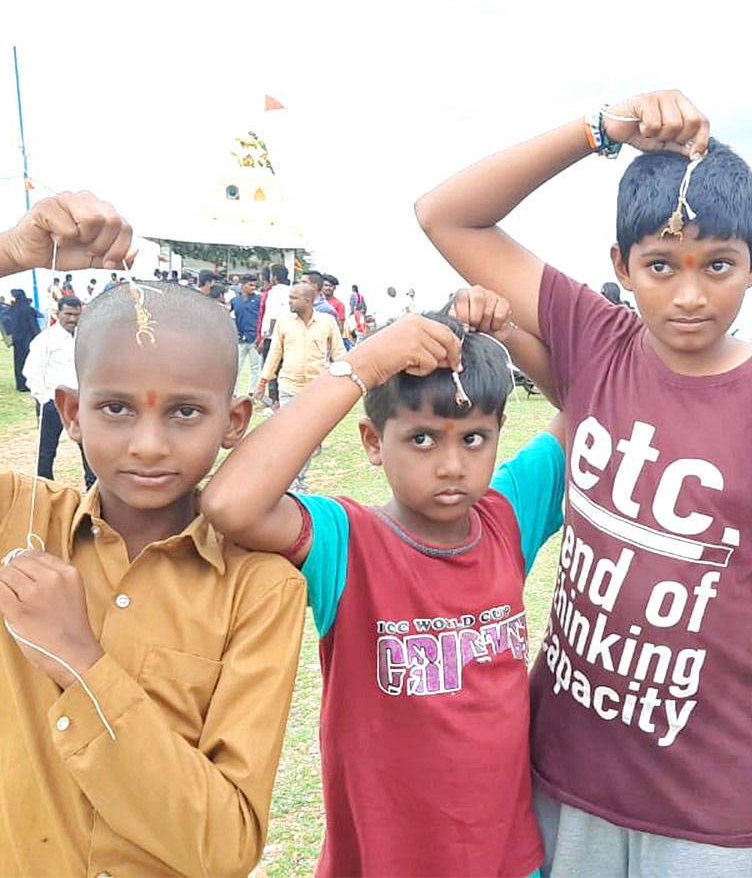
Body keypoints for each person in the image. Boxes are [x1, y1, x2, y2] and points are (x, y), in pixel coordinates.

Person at [416, 89, 752, 877]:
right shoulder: (596, 343)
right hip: (565, 778)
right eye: (660, 266)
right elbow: (446, 214)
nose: (689, 295)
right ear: (621, 267)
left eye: (718, 266)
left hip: (714, 811)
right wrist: (600, 130)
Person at [0, 191, 305, 876]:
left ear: (233, 421)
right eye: (115, 408)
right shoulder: (5, 520)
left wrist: (81, 662)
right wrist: (1, 256)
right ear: (72, 412)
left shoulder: (260, 588)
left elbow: (225, 845)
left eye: (184, 412)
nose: (148, 445)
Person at [202, 285, 563, 877]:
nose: (451, 464)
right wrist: (362, 364)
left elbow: (587, 400)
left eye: (474, 438)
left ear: (498, 433)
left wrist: (510, 333)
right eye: (422, 438)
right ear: (374, 442)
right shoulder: (348, 543)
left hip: (508, 859)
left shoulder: (506, 517)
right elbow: (230, 502)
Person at [259, 281, 344, 491]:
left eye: (294, 298)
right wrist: (263, 380)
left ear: (308, 300)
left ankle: (298, 480)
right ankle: (294, 482)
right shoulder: (283, 322)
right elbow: (275, 354)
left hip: (316, 390)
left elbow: (339, 352)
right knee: (292, 436)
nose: (290, 301)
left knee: (306, 439)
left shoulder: (327, 322)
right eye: (290, 297)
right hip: (289, 386)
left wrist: (343, 379)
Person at [23, 295, 96, 489]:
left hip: (81, 402)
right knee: (47, 450)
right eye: (68, 314)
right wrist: (45, 400)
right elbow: (31, 372)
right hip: (52, 403)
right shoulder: (46, 340)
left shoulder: (85, 336)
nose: (72, 319)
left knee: (89, 447)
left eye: (76, 315)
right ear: (58, 314)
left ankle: (93, 490)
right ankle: (44, 488)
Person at [258, 263, 291, 414]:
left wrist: (267, 334)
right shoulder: (291, 290)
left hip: (273, 336)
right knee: (283, 369)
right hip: (288, 334)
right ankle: (282, 401)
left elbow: (272, 314)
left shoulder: (274, 292)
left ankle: (274, 403)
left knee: (271, 369)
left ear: (275, 277)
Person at [0, 288, 42, 392]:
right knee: (31, 362)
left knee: (18, 362)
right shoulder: (28, 309)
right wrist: (39, 337)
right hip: (29, 339)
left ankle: (20, 384)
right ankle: (29, 383)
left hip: (17, 340)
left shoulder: (11, 310)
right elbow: (34, 326)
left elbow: (4, 320)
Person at [230, 274, 263, 398]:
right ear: (243, 286)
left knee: (255, 366)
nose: (253, 288)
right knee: (237, 367)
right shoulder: (235, 300)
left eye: (255, 285)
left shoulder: (258, 300)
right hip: (240, 337)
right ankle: (233, 393)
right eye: (250, 285)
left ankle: (252, 392)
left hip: (254, 337)